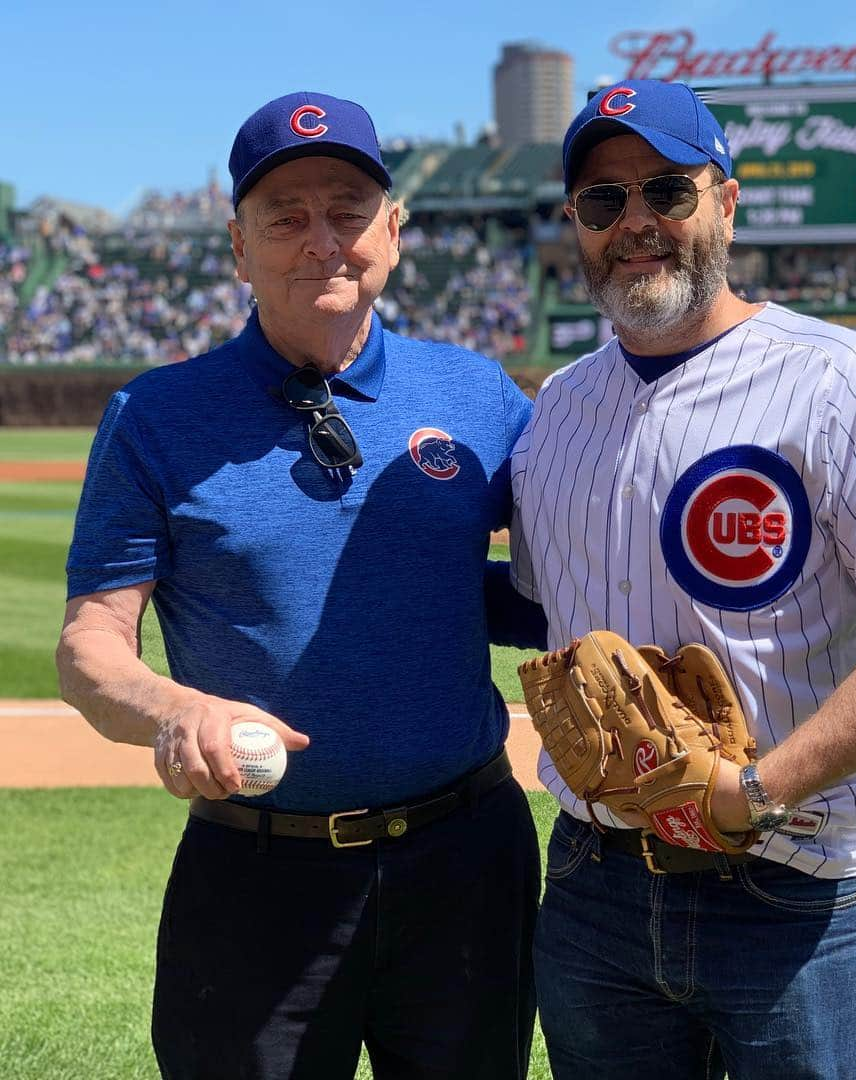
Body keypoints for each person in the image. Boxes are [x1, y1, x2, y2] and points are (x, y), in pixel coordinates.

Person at [509, 79, 856, 1079]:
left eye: (666, 191)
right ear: (576, 226)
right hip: (595, 883)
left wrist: (757, 791)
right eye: (603, 202)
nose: (635, 222)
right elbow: (535, 606)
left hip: (792, 886)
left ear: (724, 202)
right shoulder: (556, 406)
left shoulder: (835, 377)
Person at [57, 91, 544, 1080]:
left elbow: (546, 586)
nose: (322, 238)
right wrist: (174, 708)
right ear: (239, 247)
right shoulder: (153, 418)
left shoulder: (481, 398)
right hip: (255, 874)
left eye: (348, 209)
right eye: (285, 215)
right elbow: (88, 647)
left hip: (469, 861)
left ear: (394, 233)